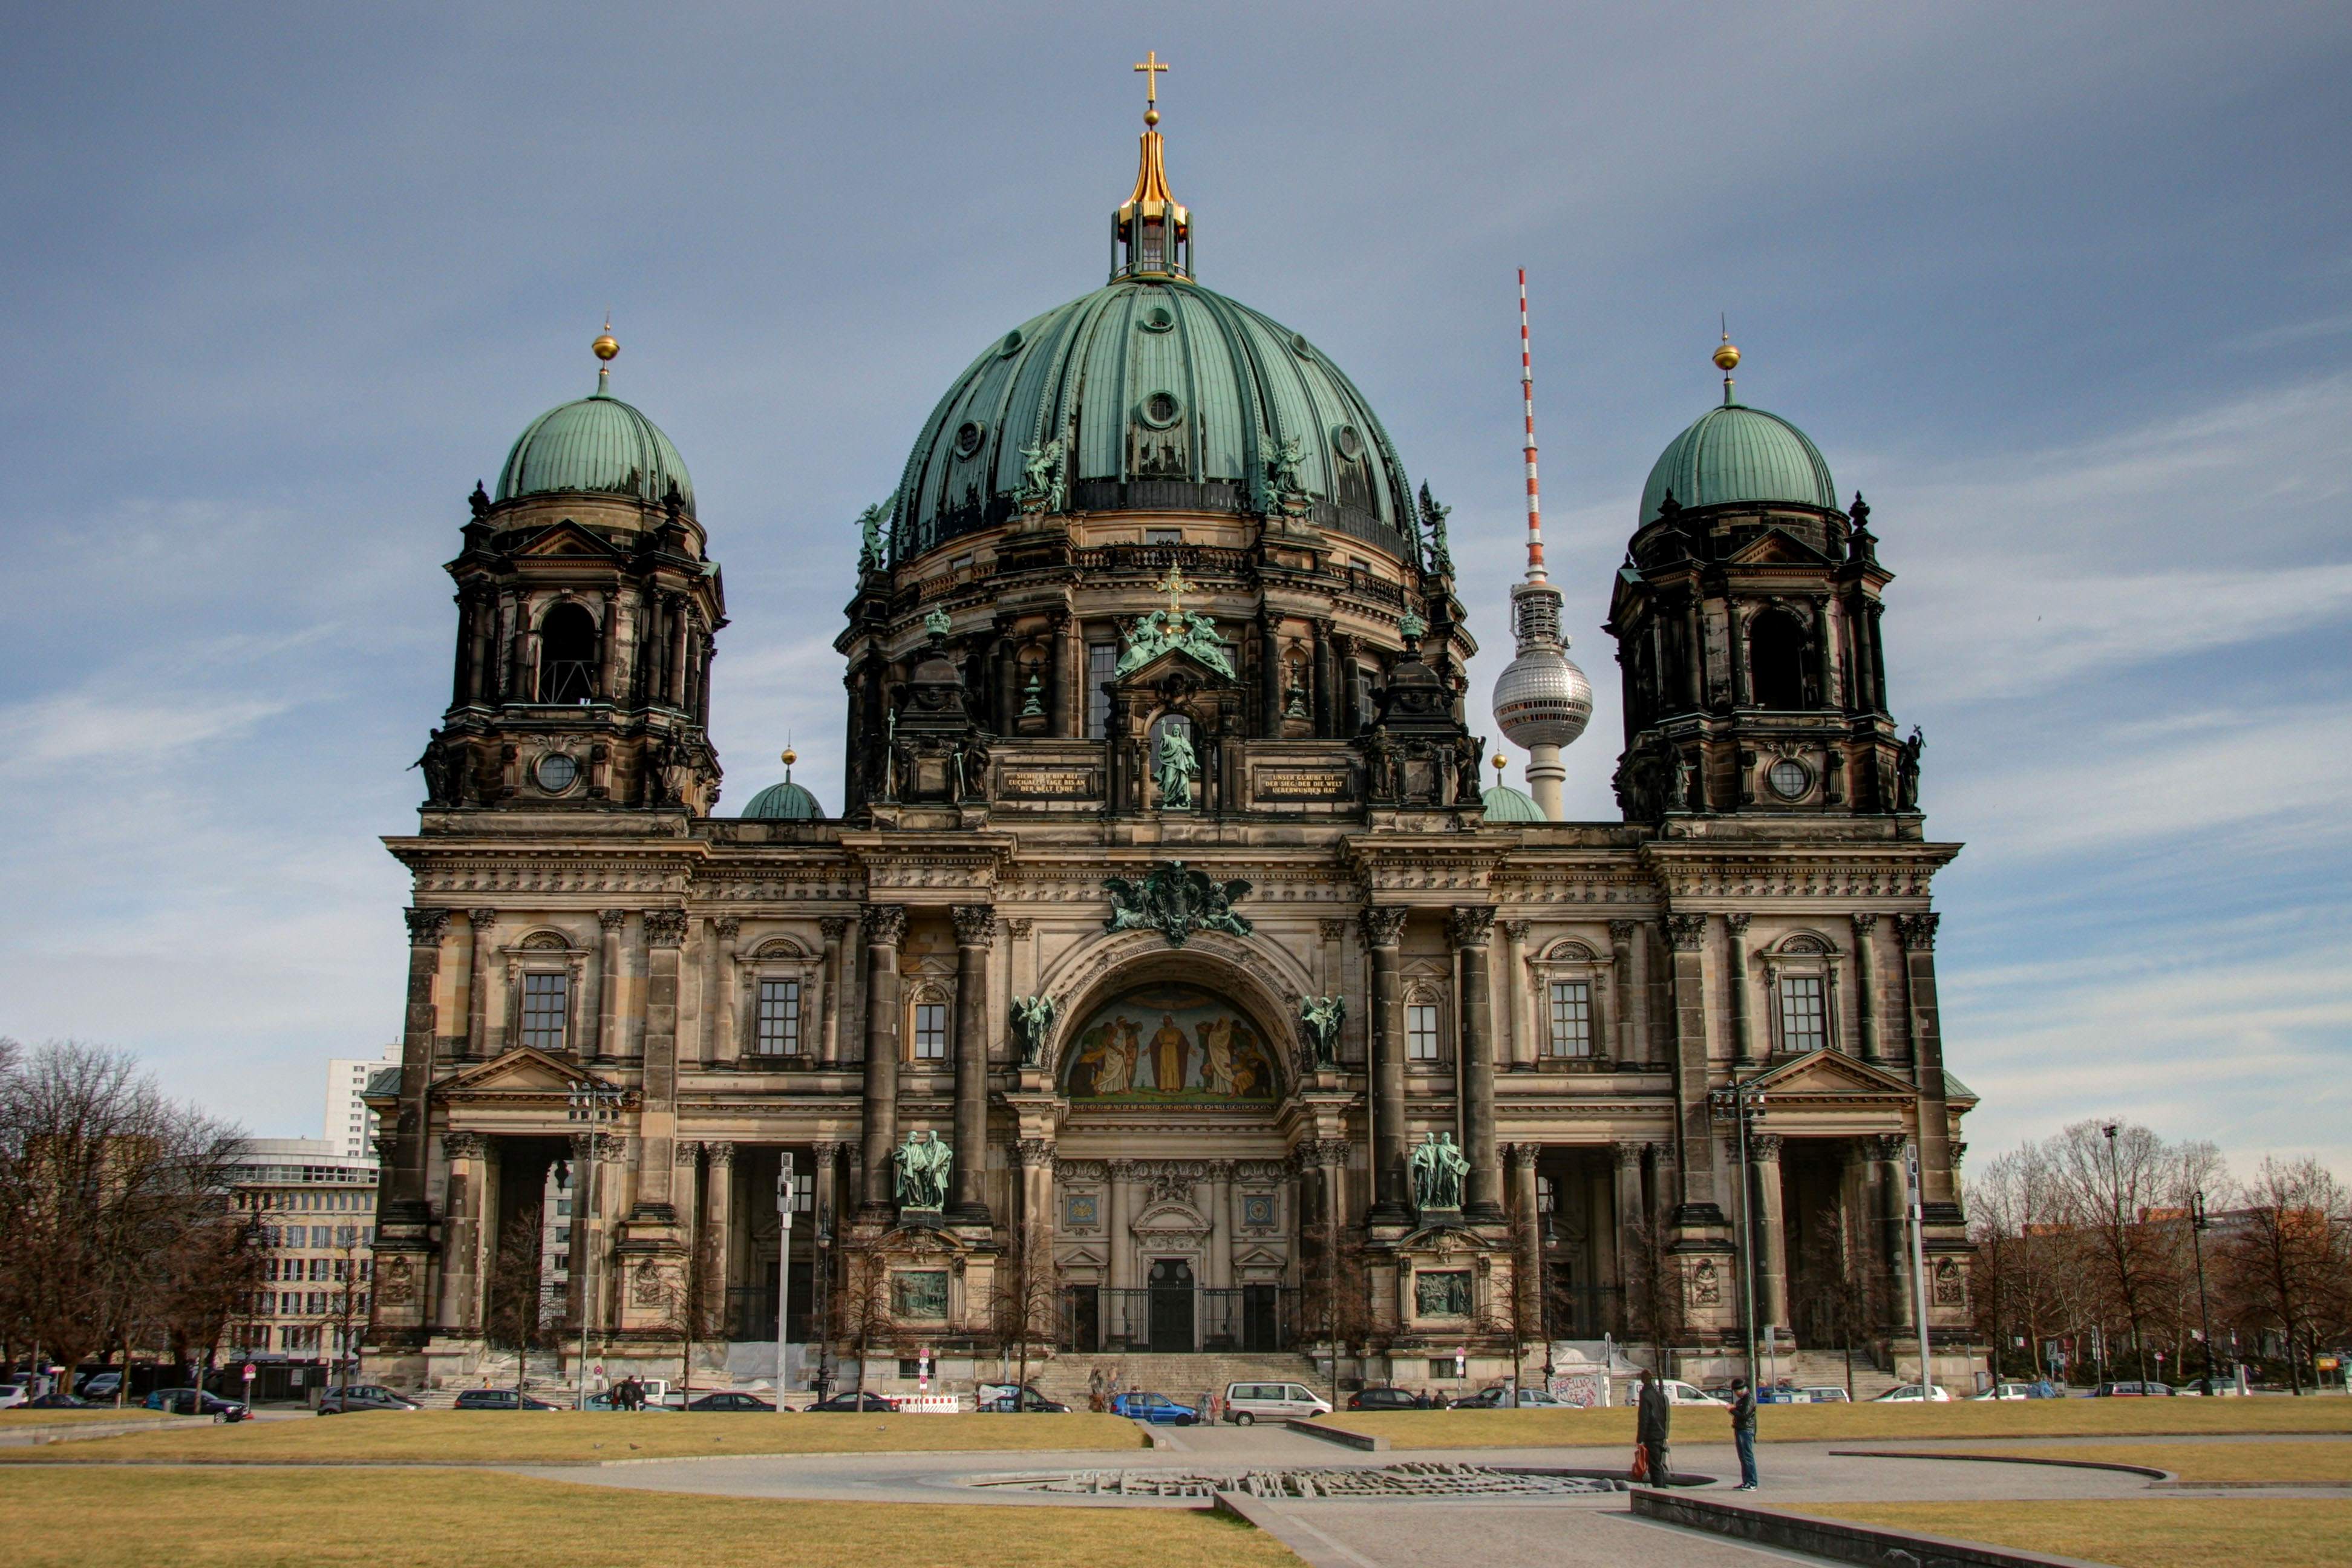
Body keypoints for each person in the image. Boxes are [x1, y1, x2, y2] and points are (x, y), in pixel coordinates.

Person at [1635, 1368, 1673, 1486]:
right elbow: (1664, 1415)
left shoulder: (1645, 1395)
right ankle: (1662, 1487)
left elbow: (1644, 1418)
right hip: (1660, 1434)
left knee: (1654, 1467)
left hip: (1651, 1435)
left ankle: (1659, 1491)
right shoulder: (1659, 1395)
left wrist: (1640, 1439)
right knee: (1658, 1464)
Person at [1728, 1376, 1758, 1491]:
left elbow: (1745, 1415)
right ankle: (1746, 1481)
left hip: (1746, 1430)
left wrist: (1731, 1410)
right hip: (1740, 1429)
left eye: (1737, 1391)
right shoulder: (1742, 1400)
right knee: (1743, 1457)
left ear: (1743, 1389)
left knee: (1747, 1457)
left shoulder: (1749, 1399)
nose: (1736, 1393)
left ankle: (1752, 1482)